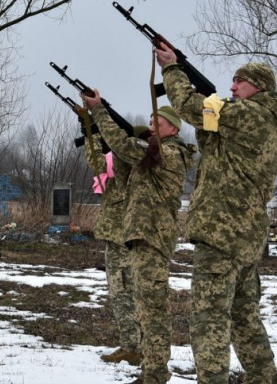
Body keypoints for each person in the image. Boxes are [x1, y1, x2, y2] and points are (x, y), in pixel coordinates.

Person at [156, 45, 277, 384]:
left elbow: (189, 108)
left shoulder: (251, 114)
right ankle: (264, 378)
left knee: (209, 318)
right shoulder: (270, 122)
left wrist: (173, 69)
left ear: (259, 87)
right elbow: (214, 143)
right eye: (232, 82)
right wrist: (208, 99)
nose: (232, 88)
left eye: (240, 82)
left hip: (222, 233)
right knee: (243, 315)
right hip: (245, 235)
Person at [82, 92, 194, 384]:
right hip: (145, 238)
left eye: (159, 122)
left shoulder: (168, 154)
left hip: (153, 239)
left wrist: (99, 112)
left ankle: (155, 374)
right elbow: (121, 156)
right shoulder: (156, 154)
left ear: (174, 129)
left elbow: (123, 145)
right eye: (150, 122)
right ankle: (152, 372)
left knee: (152, 310)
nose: (152, 126)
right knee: (147, 308)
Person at [84, 124, 150, 367]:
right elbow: (99, 162)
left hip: (122, 237)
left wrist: (95, 134)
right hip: (119, 236)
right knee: (124, 293)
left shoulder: (129, 162)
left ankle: (133, 347)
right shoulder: (130, 161)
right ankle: (135, 344)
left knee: (124, 294)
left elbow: (98, 163)